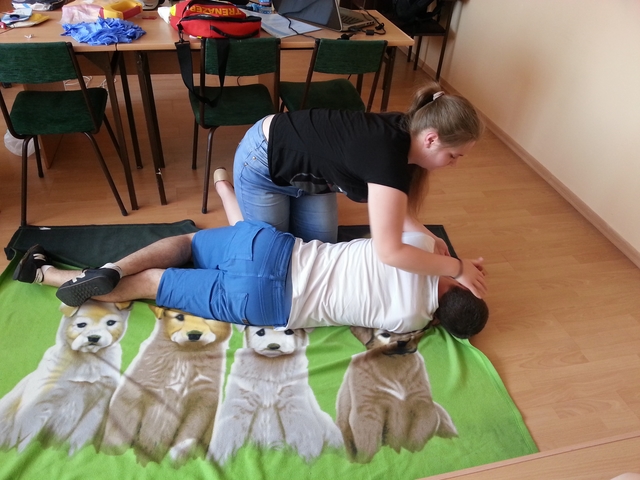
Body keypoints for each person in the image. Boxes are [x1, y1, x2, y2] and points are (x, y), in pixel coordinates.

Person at [12, 173, 488, 338]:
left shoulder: (422, 249)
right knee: (155, 284)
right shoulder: (410, 320)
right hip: (267, 307)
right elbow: (431, 306)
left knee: (188, 245)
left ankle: (110, 269)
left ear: (459, 284)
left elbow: (405, 215)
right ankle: (47, 275)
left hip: (275, 254)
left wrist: (453, 259)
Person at [233, 82, 487, 299]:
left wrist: (432, 239)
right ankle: (226, 190)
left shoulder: (407, 140)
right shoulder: (387, 158)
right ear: (431, 139)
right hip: (262, 161)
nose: (454, 164)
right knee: (269, 260)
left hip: (309, 175)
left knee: (321, 253)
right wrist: (456, 268)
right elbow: (390, 252)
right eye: (453, 155)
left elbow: (394, 212)